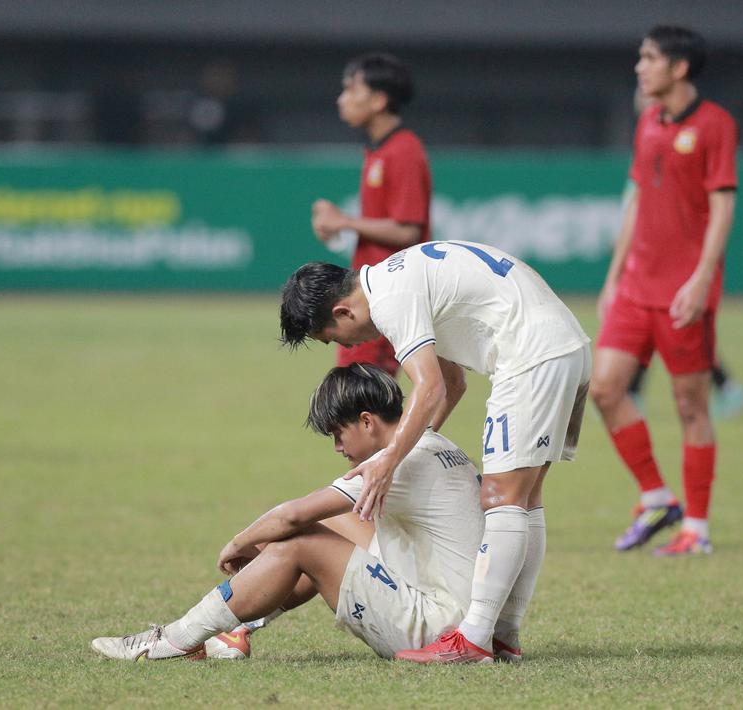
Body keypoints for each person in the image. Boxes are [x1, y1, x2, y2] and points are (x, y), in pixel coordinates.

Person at [279, 239, 591, 664]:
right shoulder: (399, 278)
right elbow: (454, 382)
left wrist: (388, 460)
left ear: (342, 312)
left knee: (502, 499)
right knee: (526, 499)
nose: (346, 346)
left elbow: (430, 388)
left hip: (530, 358)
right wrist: (411, 451)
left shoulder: (390, 300)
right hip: (564, 347)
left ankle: (475, 639)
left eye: (331, 336)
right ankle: (503, 635)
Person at [90, 364, 484, 662]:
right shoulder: (431, 442)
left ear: (366, 421)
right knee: (332, 522)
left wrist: (239, 543)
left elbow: (291, 516)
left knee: (300, 543)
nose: (336, 447)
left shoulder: (395, 462)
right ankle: (236, 631)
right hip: (468, 622)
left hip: (437, 632)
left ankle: (173, 640)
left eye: (337, 433)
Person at [592, 26, 738, 556]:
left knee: (690, 405)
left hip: (682, 294)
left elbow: (723, 206)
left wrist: (702, 278)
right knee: (605, 388)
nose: (639, 66)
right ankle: (656, 496)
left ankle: (696, 529)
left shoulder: (715, 124)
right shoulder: (649, 120)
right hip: (635, 288)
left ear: (678, 68)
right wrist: (613, 277)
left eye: (649, 58)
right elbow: (636, 202)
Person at [311, 53, 432, 377]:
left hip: (385, 296)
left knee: (359, 401)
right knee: (361, 402)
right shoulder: (380, 149)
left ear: (378, 100)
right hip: (370, 290)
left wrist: (345, 222)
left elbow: (408, 231)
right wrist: (340, 221)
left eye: (351, 90)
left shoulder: (403, 150)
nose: (342, 99)